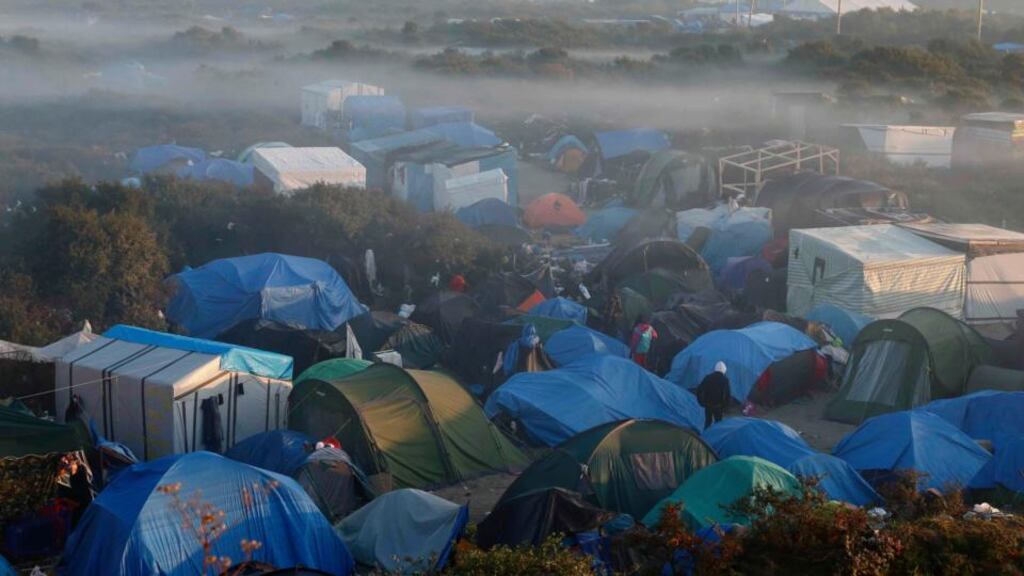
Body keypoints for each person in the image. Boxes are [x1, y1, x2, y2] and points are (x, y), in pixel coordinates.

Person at [696, 362, 731, 429]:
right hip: (718, 406)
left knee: (707, 422)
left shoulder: (708, 377)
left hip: (707, 404)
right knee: (718, 424)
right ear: (724, 370)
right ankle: (716, 437)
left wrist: (701, 402)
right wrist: (725, 406)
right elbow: (727, 394)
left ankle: (705, 436)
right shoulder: (725, 380)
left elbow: (699, 390)